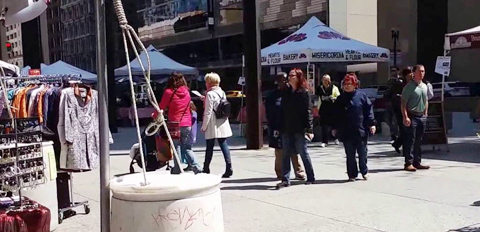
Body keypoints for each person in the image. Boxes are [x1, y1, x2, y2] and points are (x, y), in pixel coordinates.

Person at [332, 73, 376, 181]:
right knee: (350, 155)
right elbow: (335, 115)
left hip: (360, 130)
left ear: (355, 84)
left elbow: (368, 111)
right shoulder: (340, 99)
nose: (347, 86)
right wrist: (334, 127)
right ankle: (352, 174)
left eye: (350, 83)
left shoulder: (362, 96)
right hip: (346, 131)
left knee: (362, 153)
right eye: (345, 84)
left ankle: (364, 171)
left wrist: (371, 124)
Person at [276, 68, 315, 189]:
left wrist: (309, 129)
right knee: (285, 154)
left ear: (298, 77)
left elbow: (308, 112)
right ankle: (285, 179)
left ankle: (311, 177)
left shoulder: (303, 92)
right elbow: (281, 111)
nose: (289, 77)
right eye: (290, 75)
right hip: (286, 128)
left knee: (303, 153)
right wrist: (279, 127)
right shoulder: (286, 92)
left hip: (299, 128)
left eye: (292, 75)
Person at [265, 72, 306, 180]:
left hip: (291, 125)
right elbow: (269, 113)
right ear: (277, 82)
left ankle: (299, 171)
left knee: (294, 150)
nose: (285, 82)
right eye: (281, 80)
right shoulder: (272, 96)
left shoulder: (291, 92)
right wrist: (273, 127)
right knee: (279, 151)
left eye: (286, 79)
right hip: (277, 126)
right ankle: (280, 172)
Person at [159, 73, 202, 174]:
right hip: (187, 123)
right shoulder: (186, 92)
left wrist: (154, 115)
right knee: (187, 147)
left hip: (174, 123)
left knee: (176, 146)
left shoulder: (168, 92)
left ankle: (177, 167)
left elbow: (161, 106)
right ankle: (196, 166)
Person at [201, 72, 233, 178]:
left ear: (209, 83)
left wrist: (204, 126)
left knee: (209, 147)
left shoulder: (209, 94)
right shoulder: (222, 92)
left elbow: (208, 112)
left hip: (213, 123)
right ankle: (229, 167)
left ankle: (206, 168)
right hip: (222, 121)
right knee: (224, 145)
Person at [401, 65, 430, 171]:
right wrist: (405, 117)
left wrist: (426, 112)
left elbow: (426, 99)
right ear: (414, 73)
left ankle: (417, 162)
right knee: (410, 140)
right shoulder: (409, 87)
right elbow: (403, 103)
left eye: (423, 71)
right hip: (412, 116)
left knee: (419, 140)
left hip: (421, 116)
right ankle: (408, 163)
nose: (422, 73)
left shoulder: (424, 86)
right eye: (420, 71)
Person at [389, 68, 413, 154]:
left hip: (408, 109)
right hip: (399, 109)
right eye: (410, 74)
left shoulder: (411, 83)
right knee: (404, 129)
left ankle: (398, 144)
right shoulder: (399, 83)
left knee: (407, 130)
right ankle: (404, 149)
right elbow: (393, 95)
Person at [317, 74, 340, 147]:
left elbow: (338, 96)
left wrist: (333, 98)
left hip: (332, 107)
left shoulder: (334, 87)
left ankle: (336, 138)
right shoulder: (320, 88)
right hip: (323, 108)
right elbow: (318, 97)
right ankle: (324, 141)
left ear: (329, 80)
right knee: (324, 126)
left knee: (335, 124)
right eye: (324, 80)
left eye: (327, 80)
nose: (325, 82)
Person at [384, 66, 400, 143]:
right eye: (391, 71)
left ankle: (395, 135)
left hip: (396, 103)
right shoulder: (390, 81)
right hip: (389, 103)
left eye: (394, 71)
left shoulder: (399, 81)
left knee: (395, 121)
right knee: (388, 120)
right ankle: (393, 135)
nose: (393, 72)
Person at [183, 101, 199, 172]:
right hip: (190, 133)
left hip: (190, 133)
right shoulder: (191, 113)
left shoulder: (193, 114)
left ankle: (194, 164)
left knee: (187, 148)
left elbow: (192, 120)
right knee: (186, 148)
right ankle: (189, 164)